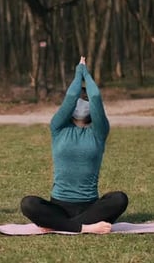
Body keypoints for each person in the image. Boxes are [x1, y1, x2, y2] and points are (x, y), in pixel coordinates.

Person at [20, 56, 128, 234]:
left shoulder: (99, 132)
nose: (80, 103)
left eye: (84, 101)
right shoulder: (58, 128)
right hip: (59, 206)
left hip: (90, 207)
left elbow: (95, 96)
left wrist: (85, 72)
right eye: (78, 100)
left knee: (119, 199)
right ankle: (84, 228)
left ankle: (59, 225)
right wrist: (78, 73)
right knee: (28, 204)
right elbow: (70, 96)